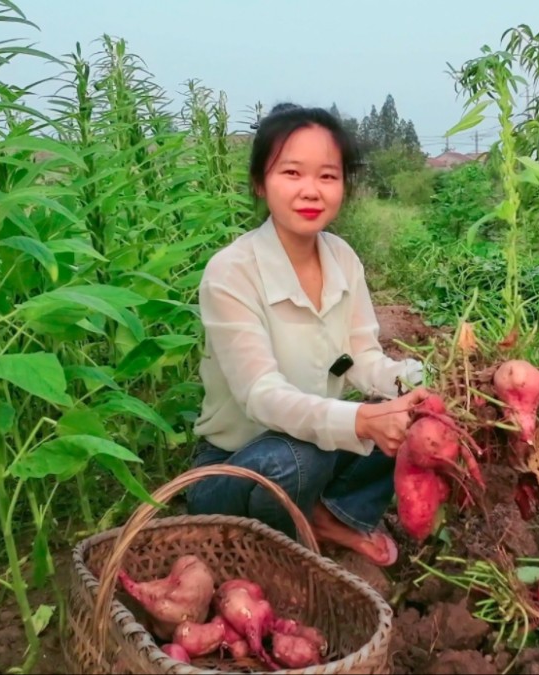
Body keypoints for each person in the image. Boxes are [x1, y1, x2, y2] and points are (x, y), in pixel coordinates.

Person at [184, 103, 429, 567]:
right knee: (300, 458)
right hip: (239, 466)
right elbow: (261, 395)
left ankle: (331, 514)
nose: (310, 191)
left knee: (413, 420)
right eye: (292, 172)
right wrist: (360, 421)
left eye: (328, 176)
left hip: (318, 446)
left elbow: (362, 358)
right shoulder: (231, 272)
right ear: (261, 182)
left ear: (344, 185)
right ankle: (287, 538)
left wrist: (429, 384)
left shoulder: (343, 258)